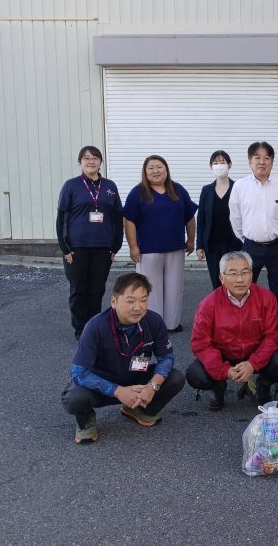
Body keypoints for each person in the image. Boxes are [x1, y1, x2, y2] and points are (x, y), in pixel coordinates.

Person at [61, 272, 186, 444]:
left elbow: (166, 358)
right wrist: (118, 391)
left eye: (143, 300)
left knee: (175, 378)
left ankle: (138, 408)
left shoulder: (154, 321)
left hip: (135, 378)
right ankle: (86, 420)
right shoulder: (95, 326)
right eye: (130, 301)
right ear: (114, 301)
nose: (138, 307)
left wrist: (152, 386)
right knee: (74, 398)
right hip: (103, 384)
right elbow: (79, 372)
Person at [186, 251, 278, 411]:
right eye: (233, 273)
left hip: (255, 354)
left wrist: (252, 363)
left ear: (251, 274)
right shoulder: (208, 304)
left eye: (245, 272)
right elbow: (200, 344)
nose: (240, 279)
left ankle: (262, 385)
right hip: (224, 355)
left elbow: (274, 336)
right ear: (222, 278)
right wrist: (224, 370)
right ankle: (218, 387)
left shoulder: (267, 297)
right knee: (195, 374)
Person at [123, 155, 197, 333]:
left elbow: (189, 217)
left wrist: (191, 239)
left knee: (174, 287)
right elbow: (129, 221)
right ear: (145, 172)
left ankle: (171, 324)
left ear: (166, 169)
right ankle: (153, 326)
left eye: (159, 167)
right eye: (151, 168)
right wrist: (133, 246)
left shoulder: (178, 190)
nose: (156, 171)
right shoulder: (138, 192)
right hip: (148, 251)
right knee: (150, 289)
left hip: (175, 248)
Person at [56, 146, 124, 340]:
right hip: (76, 248)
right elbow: (61, 218)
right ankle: (81, 331)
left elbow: (117, 216)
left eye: (95, 158)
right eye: (86, 158)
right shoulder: (71, 185)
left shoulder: (110, 186)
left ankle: (94, 329)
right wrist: (65, 248)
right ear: (80, 162)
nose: (91, 161)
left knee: (97, 289)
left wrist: (115, 246)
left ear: (101, 162)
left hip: (103, 248)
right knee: (78, 290)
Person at [229, 142, 278, 312]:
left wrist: (276, 231)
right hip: (251, 246)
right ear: (250, 161)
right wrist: (247, 239)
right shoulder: (240, 186)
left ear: (272, 161)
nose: (262, 162)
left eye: (266, 158)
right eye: (257, 158)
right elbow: (235, 218)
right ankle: (249, 330)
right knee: (245, 290)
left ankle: (276, 333)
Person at [196, 150, 242, 288]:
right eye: (215, 163)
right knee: (217, 283)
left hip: (235, 244)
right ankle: (220, 309)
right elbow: (201, 218)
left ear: (229, 165)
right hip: (213, 245)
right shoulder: (206, 190)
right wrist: (199, 245)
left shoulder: (238, 187)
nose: (219, 165)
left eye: (222, 162)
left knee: (236, 281)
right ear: (211, 166)